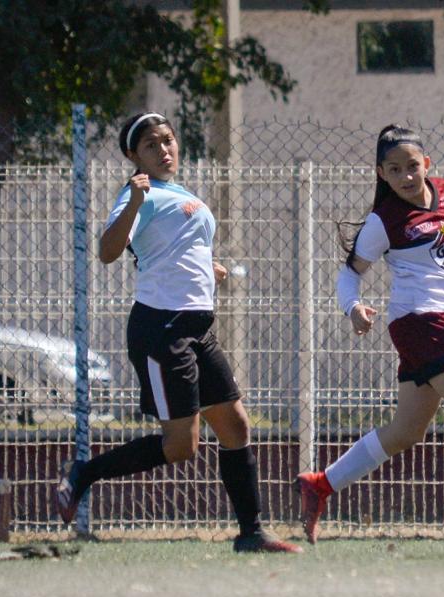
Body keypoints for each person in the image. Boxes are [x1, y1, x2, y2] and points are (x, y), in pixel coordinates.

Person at [55, 112, 300, 553]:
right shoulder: (140, 194)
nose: (164, 149)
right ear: (134, 155)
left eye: (168, 140)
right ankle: (84, 473)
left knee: (235, 426)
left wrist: (210, 267)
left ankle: (251, 534)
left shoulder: (180, 193)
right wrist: (132, 200)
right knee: (181, 445)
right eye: (151, 145)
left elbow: (171, 250)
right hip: (161, 328)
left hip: (197, 327)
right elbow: (108, 252)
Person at [295, 125, 444, 544]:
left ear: (427, 164)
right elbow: (348, 274)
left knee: (406, 431)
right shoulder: (383, 221)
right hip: (418, 322)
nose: (407, 176)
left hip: (438, 323)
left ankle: (320, 484)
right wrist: (352, 307)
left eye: (412, 166)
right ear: (382, 174)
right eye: (395, 170)